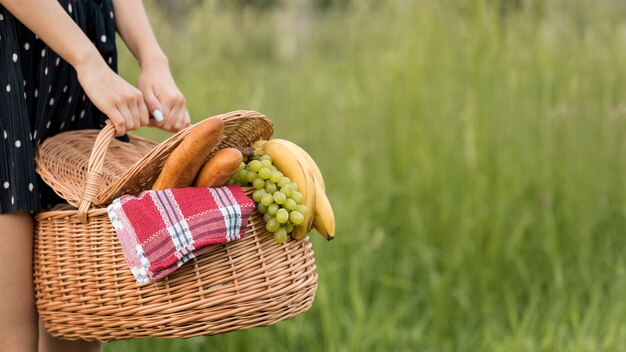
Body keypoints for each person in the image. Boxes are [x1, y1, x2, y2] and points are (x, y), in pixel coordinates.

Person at [0, 0, 190, 350]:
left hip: (81, 65)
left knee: (80, 323)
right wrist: (87, 60)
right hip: (11, 60)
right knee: (11, 339)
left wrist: (152, 58)